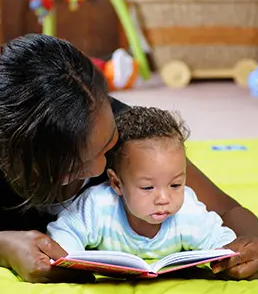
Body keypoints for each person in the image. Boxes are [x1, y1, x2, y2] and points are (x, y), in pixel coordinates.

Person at [0, 33, 258, 284]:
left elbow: (227, 211)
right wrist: (3, 246)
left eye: (106, 147)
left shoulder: (119, 130)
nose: (100, 169)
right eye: (73, 166)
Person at [47, 106, 237, 259]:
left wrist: (227, 257)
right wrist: (73, 261)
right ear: (117, 184)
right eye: (147, 187)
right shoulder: (98, 205)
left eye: (176, 185)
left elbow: (222, 238)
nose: (164, 198)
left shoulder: (188, 211)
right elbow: (65, 232)